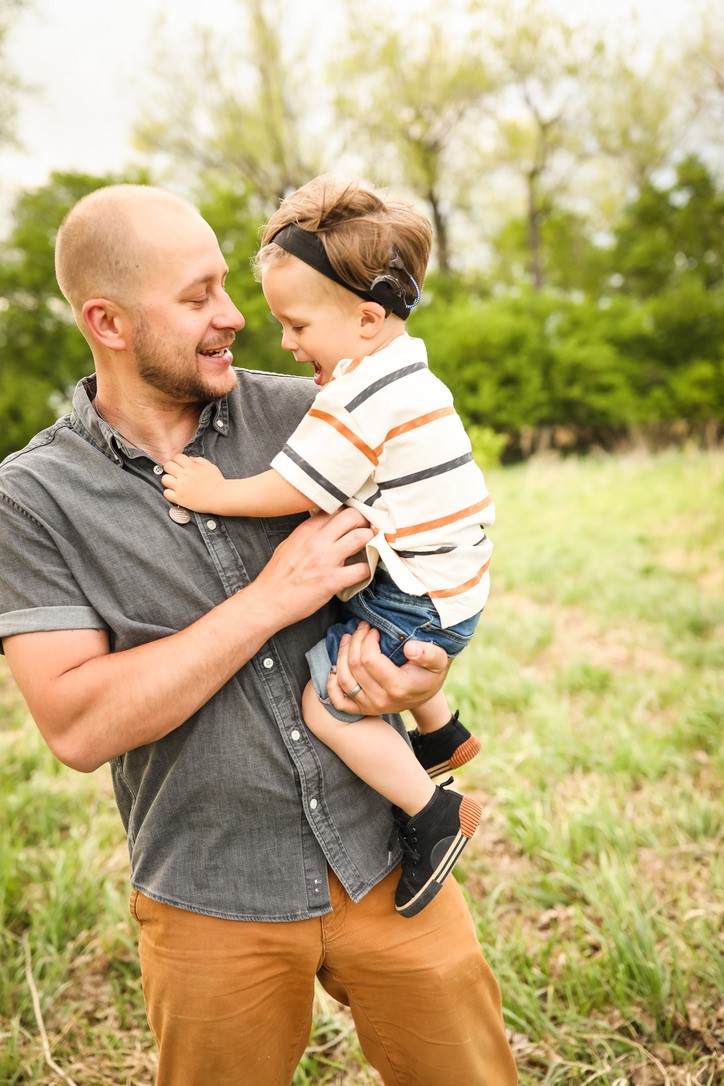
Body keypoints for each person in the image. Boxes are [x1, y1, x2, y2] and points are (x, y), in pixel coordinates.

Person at [0, 183, 518, 1086]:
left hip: (389, 865)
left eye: (229, 289)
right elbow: (77, 727)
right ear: (108, 322)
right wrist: (273, 598)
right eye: (198, 296)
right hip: (211, 891)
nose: (235, 317)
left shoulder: (316, 406)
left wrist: (419, 680)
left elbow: (434, 542)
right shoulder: (32, 499)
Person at [161, 174, 495, 918]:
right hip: (451, 577)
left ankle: (436, 814)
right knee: (362, 606)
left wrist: (213, 492)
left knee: (329, 703)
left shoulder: (360, 395)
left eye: (299, 325)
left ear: (368, 318)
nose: (283, 342)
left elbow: (296, 487)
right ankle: (443, 733)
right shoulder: (410, 372)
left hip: (421, 594)